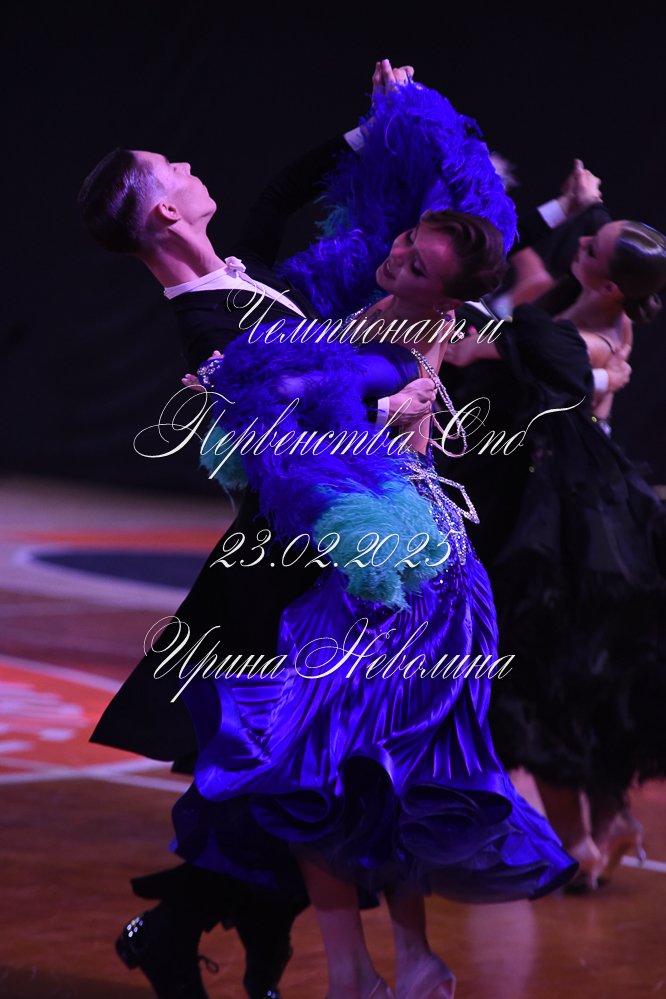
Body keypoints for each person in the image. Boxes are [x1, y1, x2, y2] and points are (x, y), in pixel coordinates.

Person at [78, 61, 518, 998]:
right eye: (169, 166)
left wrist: (381, 125)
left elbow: (284, 209)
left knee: (334, 766)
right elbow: (288, 441)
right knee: (304, 767)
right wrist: (392, 405)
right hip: (296, 570)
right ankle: (332, 960)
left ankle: (269, 949)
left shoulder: (242, 285)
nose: (187, 162)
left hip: (328, 558)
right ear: (164, 212)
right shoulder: (211, 328)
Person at [170, 207, 577, 999]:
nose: (398, 257)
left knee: (313, 763)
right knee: (361, 770)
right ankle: (400, 962)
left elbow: (337, 428)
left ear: (447, 301)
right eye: (407, 242)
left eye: (419, 265)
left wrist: (257, 395)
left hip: (406, 577)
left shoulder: (408, 342)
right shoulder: (369, 302)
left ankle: (368, 970)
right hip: (374, 565)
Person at [442, 217, 666, 892]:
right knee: (573, 676)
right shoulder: (588, 315)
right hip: (567, 501)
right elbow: (530, 293)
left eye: (591, 246)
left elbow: (486, 345)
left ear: (607, 281)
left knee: (537, 678)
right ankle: (609, 818)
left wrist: (476, 346)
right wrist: (571, 211)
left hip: (557, 513)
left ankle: (577, 845)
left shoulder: (586, 336)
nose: (582, 244)